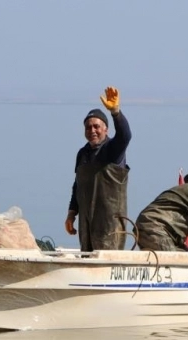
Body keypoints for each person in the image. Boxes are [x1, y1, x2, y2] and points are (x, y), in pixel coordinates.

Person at [65, 86, 132, 251]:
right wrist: (72, 214)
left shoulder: (112, 149)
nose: (92, 130)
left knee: (107, 256)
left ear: (106, 129)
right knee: (87, 256)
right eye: (88, 127)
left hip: (110, 224)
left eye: (96, 126)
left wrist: (115, 112)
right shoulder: (82, 154)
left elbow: (125, 136)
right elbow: (77, 186)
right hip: (86, 224)